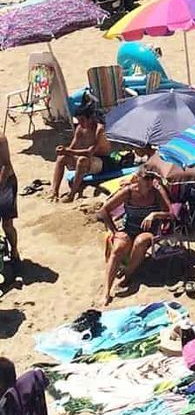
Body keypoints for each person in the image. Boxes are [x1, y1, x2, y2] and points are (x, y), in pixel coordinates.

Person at [99, 167, 173, 305]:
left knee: (141, 241)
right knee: (118, 248)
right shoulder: (128, 192)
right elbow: (104, 210)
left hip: (150, 230)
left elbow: (170, 213)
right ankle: (106, 291)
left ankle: (127, 275)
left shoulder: (156, 192)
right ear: (137, 178)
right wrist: (114, 231)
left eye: (151, 178)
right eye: (146, 178)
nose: (149, 181)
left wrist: (154, 214)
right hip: (129, 228)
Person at [50, 102, 110, 201]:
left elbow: (89, 152)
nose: (80, 123)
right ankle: (54, 192)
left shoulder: (99, 130)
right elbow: (72, 147)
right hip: (89, 160)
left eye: (82, 120)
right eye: (78, 120)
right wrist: (64, 151)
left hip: (101, 162)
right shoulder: (80, 128)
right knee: (61, 158)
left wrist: (68, 151)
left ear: (90, 118)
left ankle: (72, 194)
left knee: (82, 160)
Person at [0, 132, 21, 283]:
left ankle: (14, 252)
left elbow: (6, 165)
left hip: (6, 183)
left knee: (7, 224)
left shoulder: (1, 139)